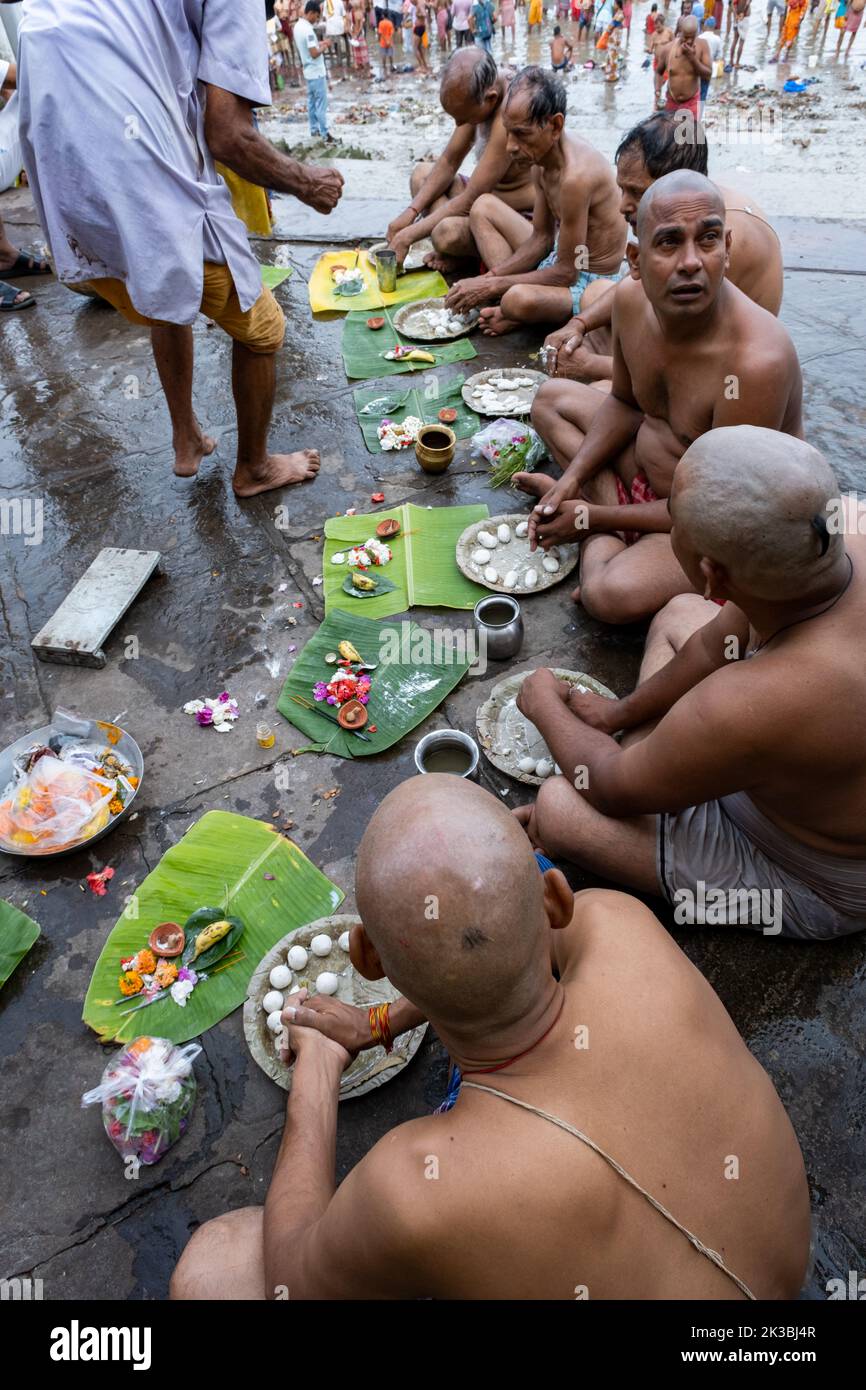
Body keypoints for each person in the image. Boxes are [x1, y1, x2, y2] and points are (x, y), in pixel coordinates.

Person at [171, 776, 812, 1300]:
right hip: (786, 1283)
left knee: (214, 1267)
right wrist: (375, 1024)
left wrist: (318, 1069)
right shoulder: (623, 927)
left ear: (367, 958)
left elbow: (292, 1285)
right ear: (556, 898)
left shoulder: (413, 1189)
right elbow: (488, 951)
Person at [514, 428, 866, 943]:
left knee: (560, 807)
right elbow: (709, 646)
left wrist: (543, 705)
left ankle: (655, 778)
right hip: (798, 771)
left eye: (673, 520)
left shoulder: (754, 703)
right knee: (681, 614)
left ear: (711, 576)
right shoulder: (836, 539)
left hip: (817, 876)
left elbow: (608, 788)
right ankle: (659, 768)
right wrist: (619, 713)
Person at [18, 0, 343, 493]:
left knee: (165, 285)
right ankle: (254, 469)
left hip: (58, 144)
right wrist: (305, 182)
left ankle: (185, 437)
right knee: (263, 328)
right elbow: (229, 135)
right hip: (124, 144)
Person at [519, 171, 803, 625]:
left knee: (607, 594)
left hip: (710, 525)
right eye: (669, 243)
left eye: (708, 239)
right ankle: (599, 507)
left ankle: (604, 525)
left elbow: (718, 510)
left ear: (727, 249)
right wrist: (572, 480)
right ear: (636, 259)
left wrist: (592, 520)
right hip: (650, 471)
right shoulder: (630, 302)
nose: (691, 262)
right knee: (549, 400)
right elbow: (627, 405)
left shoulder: (754, 362)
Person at [546, 114, 784, 384]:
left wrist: (589, 366)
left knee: (598, 391)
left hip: (724, 378)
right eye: (622, 190)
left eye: (636, 193)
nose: (623, 206)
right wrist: (579, 324)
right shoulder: (696, 204)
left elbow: (688, 364)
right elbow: (631, 284)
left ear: (673, 184)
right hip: (689, 336)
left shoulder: (716, 242)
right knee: (595, 296)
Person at [444, 68, 627, 334]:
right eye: (508, 133)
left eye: (521, 134)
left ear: (555, 126)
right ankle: (507, 303)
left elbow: (568, 273)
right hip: (561, 258)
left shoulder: (575, 178)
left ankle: (515, 312)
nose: (510, 146)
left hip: (590, 282)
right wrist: (489, 279)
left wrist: (492, 286)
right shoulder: (540, 161)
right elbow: (541, 238)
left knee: (516, 299)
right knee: (482, 206)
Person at [386, 49, 535, 272]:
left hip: (513, 213)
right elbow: (448, 161)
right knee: (421, 175)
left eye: (463, 118)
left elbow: (471, 199)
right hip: (482, 198)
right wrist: (410, 212)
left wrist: (408, 235)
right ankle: (462, 253)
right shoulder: (480, 93)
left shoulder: (510, 113)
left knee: (446, 233)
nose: (459, 125)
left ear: (490, 99)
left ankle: (466, 254)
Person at [656, 15, 711, 118]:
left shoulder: (702, 46)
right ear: (680, 32)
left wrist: (693, 59)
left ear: (697, 34)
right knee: (670, 133)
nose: (689, 41)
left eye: (692, 37)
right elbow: (658, 72)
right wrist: (658, 91)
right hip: (671, 103)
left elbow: (707, 75)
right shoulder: (668, 49)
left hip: (691, 103)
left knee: (689, 133)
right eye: (686, 37)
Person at [295, 1, 334, 141]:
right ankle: (325, 134)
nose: (316, 20)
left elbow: (308, 48)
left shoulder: (298, 27)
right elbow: (314, 53)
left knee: (311, 104)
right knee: (321, 105)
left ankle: (314, 130)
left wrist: (320, 44)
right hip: (317, 72)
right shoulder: (308, 30)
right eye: (316, 17)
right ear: (310, 13)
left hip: (308, 72)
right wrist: (326, 46)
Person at [700, 13, 722, 97]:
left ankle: (693, 108)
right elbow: (719, 57)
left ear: (705, 25)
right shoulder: (717, 39)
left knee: (696, 90)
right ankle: (700, 109)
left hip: (698, 65)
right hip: (709, 67)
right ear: (714, 27)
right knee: (704, 90)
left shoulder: (700, 37)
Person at [729, 0, 750, 67]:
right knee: (741, 41)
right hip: (744, 18)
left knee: (735, 40)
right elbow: (747, 3)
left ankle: (731, 61)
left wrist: (736, 16)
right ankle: (737, 62)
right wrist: (743, 13)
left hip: (736, 18)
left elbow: (732, 4)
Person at [413, 0, 432, 69]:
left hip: (419, 27)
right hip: (422, 27)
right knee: (420, 48)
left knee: (415, 48)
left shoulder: (419, 3)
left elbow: (424, 14)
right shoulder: (423, 2)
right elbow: (429, 6)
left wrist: (419, 15)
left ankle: (421, 66)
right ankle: (424, 64)